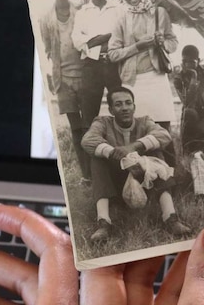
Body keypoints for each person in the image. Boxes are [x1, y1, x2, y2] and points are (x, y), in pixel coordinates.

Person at [81, 86, 191, 242]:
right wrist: (118, 156)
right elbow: (87, 140)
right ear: (111, 110)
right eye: (118, 104)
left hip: (144, 181)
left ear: (134, 106)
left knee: (155, 153)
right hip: (115, 185)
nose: (125, 108)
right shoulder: (103, 122)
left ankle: (171, 218)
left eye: (128, 103)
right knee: (97, 159)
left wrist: (134, 147)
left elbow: (164, 135)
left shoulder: (144, 121)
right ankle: (103, 223)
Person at [107, 0, 178, 130]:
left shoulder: (160, 13)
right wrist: (137, 47)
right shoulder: (121, 19)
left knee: (162, 129)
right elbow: (112, 54)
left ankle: (166, 156)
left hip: (157, 77)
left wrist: (163, 43)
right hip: (133, 82)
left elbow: (173, 41)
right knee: (138, 129)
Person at [39, 0, 92, 180]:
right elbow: (47, 47)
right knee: (76, 128)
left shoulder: (80, 10)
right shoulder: (45, 18)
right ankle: (86, 175)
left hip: (85, 77)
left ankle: (96, 172)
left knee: (89, 126)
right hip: (63, 81)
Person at [71, 0, 121, 124]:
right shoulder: (82, 13)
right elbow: (77, 40)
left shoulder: (118, 9)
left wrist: (92, 40)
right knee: (89, 114)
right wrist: (104, 37)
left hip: (115, 65)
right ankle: (91, 147)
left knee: (121, 109)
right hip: (91, 66)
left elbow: (122, 36)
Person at [172, 44, 204, 153]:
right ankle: (189, 153)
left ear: (198, 60)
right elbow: (187, 102)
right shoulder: (178, 78)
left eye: (191, 62)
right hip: (192, 113)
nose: (187, 65)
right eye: (184, 61)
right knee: (189, 113)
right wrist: (193, 79)